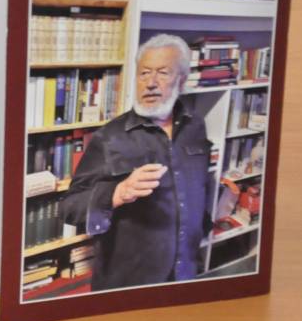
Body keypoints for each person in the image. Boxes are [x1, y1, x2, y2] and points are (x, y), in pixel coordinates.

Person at [61, 33, 213, 291]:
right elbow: (69, 208)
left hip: (186, 272)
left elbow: (199, 186)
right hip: (128, 284)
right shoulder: (110, 137)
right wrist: (117, 193)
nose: (151, 83)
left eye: (163, 73)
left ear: (182, 80)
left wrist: (204, 226)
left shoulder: (195, 125)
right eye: (144, 73)